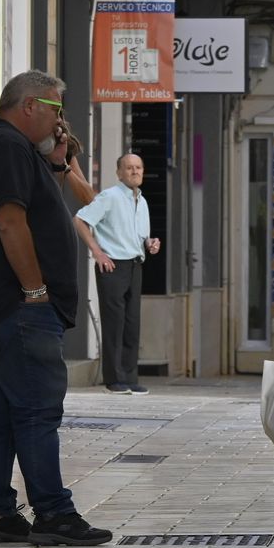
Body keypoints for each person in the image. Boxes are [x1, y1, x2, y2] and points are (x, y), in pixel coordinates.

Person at [0, 70, 111, 547]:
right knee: (38, 413)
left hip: (8, 307)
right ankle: (53, 514)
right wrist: (35, 290)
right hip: (19, 308)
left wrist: (60, 165)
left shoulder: (15, 150)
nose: (60, 120)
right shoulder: (6, 147)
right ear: (30, 106)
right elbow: (9, 222)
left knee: (2, 413)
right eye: (56, 110)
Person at [73, 153, 162, 395]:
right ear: (119, 172)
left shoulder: (141, 201)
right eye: (129, 168)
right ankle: (114, 380)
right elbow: (80, 220)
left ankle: (130, 377)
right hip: (112, 265)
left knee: (132, 323)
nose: (134, 171)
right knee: (115, 323)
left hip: (135, 264)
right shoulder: (110, 197)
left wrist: (151, 243)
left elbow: (141, 237)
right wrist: (97, 252)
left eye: (138, 167)